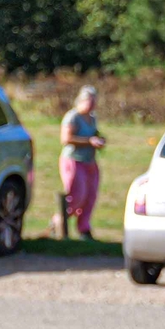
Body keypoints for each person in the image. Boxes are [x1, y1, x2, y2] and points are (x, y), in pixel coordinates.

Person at [55, 86, 106, 241]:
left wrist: (99, 139)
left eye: (93, 101)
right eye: (88, 101)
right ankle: (58, 223)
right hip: (74, 160)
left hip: (90, 161)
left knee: (90, 196)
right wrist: (89, 142)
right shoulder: (73, 117)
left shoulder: (93, 117)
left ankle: (84, 229)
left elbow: (93, 133)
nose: (91, 105)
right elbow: (66, 139)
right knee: (77, 195)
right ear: (81, 100)